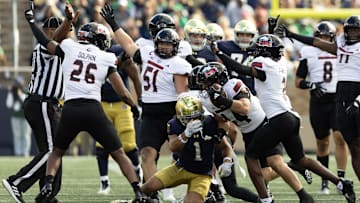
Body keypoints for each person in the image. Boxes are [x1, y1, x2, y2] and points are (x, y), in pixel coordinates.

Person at [23, 3, 146, 202]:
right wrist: (134, 106)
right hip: (93, 109)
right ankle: (138, 191)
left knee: (56, 152)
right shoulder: (106, 56)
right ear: (99, 39)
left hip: (70, 108)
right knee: (119, 153)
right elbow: (122, 91)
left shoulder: (70, 47)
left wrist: (34, 22)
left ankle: (47, 184)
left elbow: (47, 42)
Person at [213, 33, 356, 203]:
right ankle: (339, 183)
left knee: (251, 155)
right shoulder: (279, 61)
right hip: (291, 118)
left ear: (265, 52)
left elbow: (241, 69)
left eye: (260, 49)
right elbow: (270, 49)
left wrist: (220, 54)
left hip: (279, 118)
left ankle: (265, 199)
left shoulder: (262, 63)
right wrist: (271, 32)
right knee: (300, 159)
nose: (256, 51)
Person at [100, 3, 192, 202]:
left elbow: (183, 93)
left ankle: (209, 188)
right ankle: (153, 195)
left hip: (171, 112)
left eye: (168, 44)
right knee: (147, 154)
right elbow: (128, 45)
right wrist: (113, 24)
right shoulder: (148, 54)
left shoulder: (179, 63)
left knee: (188, 153)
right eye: (161, 44)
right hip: (150, 113)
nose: (164, 47)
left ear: (175, 45)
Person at [195, 62, 314, 203]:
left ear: (218, 79)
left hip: (264, 124)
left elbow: (244, 108)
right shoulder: (208, 100)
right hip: (248, 133)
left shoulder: (234, 85)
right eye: (203, 84)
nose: (205, 87)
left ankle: (303, 196)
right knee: (264, 175)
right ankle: (288, 172)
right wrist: (220, 133)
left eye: (207, 83)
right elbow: (222, 120)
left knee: (275, 162)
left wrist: (222, 100)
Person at [277, 15, 360, 184]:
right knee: (353, 146)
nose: (352, 33)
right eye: (350, 30)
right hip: (340, 97)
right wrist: (291, 35)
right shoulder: (340, 45)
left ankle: (340, 177)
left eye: (356, 30)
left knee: (349, 142)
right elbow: (315, 43)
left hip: (355, 95)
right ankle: (338, 181)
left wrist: (358, 100)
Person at [2, 15, 69, 203]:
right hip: (42, 103)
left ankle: (47, 196)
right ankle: (16, 181)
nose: (67, 34)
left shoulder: (59, 48)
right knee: (51, 151)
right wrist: (67, 21)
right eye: (61, 30)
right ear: (48, 31)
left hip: (48, 105)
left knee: (54, 151)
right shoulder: (45, 47)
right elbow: (52, 39)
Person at [140, 95, 234, 203]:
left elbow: (225, 146)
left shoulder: (209, 124)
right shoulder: (175, 124)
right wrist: (186, 134)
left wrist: (227, 161)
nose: (193, 121)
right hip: (180, 168)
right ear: (179, 116)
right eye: (188, 118)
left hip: (202, 175)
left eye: (196, 117)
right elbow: (173, 147)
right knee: (147, 187)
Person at [294, 21, 348, 194]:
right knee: (322, 143)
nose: (324, 40)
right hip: (318, 100)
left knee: (340, 137)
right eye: (321, 37)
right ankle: (325, 181)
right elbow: (298, 81)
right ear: (316, 37)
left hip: (337, 99)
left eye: (327, 37)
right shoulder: (308, 52)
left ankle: (341, 178)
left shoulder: (340, 49)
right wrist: (311, 84)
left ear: (332, 38)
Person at [96, 44, 142, 195]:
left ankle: (137, 171)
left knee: (129, 145)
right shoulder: (91, 54)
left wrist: (139, 102)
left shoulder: (116, 52)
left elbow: (134, 75)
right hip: (102, 103)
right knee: (101, 145)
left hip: (121, 104)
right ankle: (104, 182)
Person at [5, 76, 32, 157]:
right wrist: (10, 92)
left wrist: (20, 95)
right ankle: (18, 153)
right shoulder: (12, 92)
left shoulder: (26, 91)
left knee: (26, 135)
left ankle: (25, 153)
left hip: (25, 117)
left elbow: (27, 103)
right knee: (17, 135)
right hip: (15, 117)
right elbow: (8, 104)